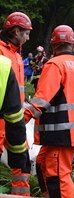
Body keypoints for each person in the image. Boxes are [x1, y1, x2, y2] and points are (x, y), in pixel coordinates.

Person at [23, 25, 74, 198]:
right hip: (67, 134)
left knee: (58, 176)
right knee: (42, 162)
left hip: (59, 133)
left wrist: (20, 119)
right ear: (73, 46)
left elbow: (41, 100)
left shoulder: (54, 65)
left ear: (53, 45)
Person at [0, 11, 32, 196]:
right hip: (3, 119)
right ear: (16, 31)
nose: (27, 38)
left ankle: (21, 195)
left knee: (22, 163)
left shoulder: (17, 55)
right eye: (26, 33)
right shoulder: (2, 52)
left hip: (15, 119)